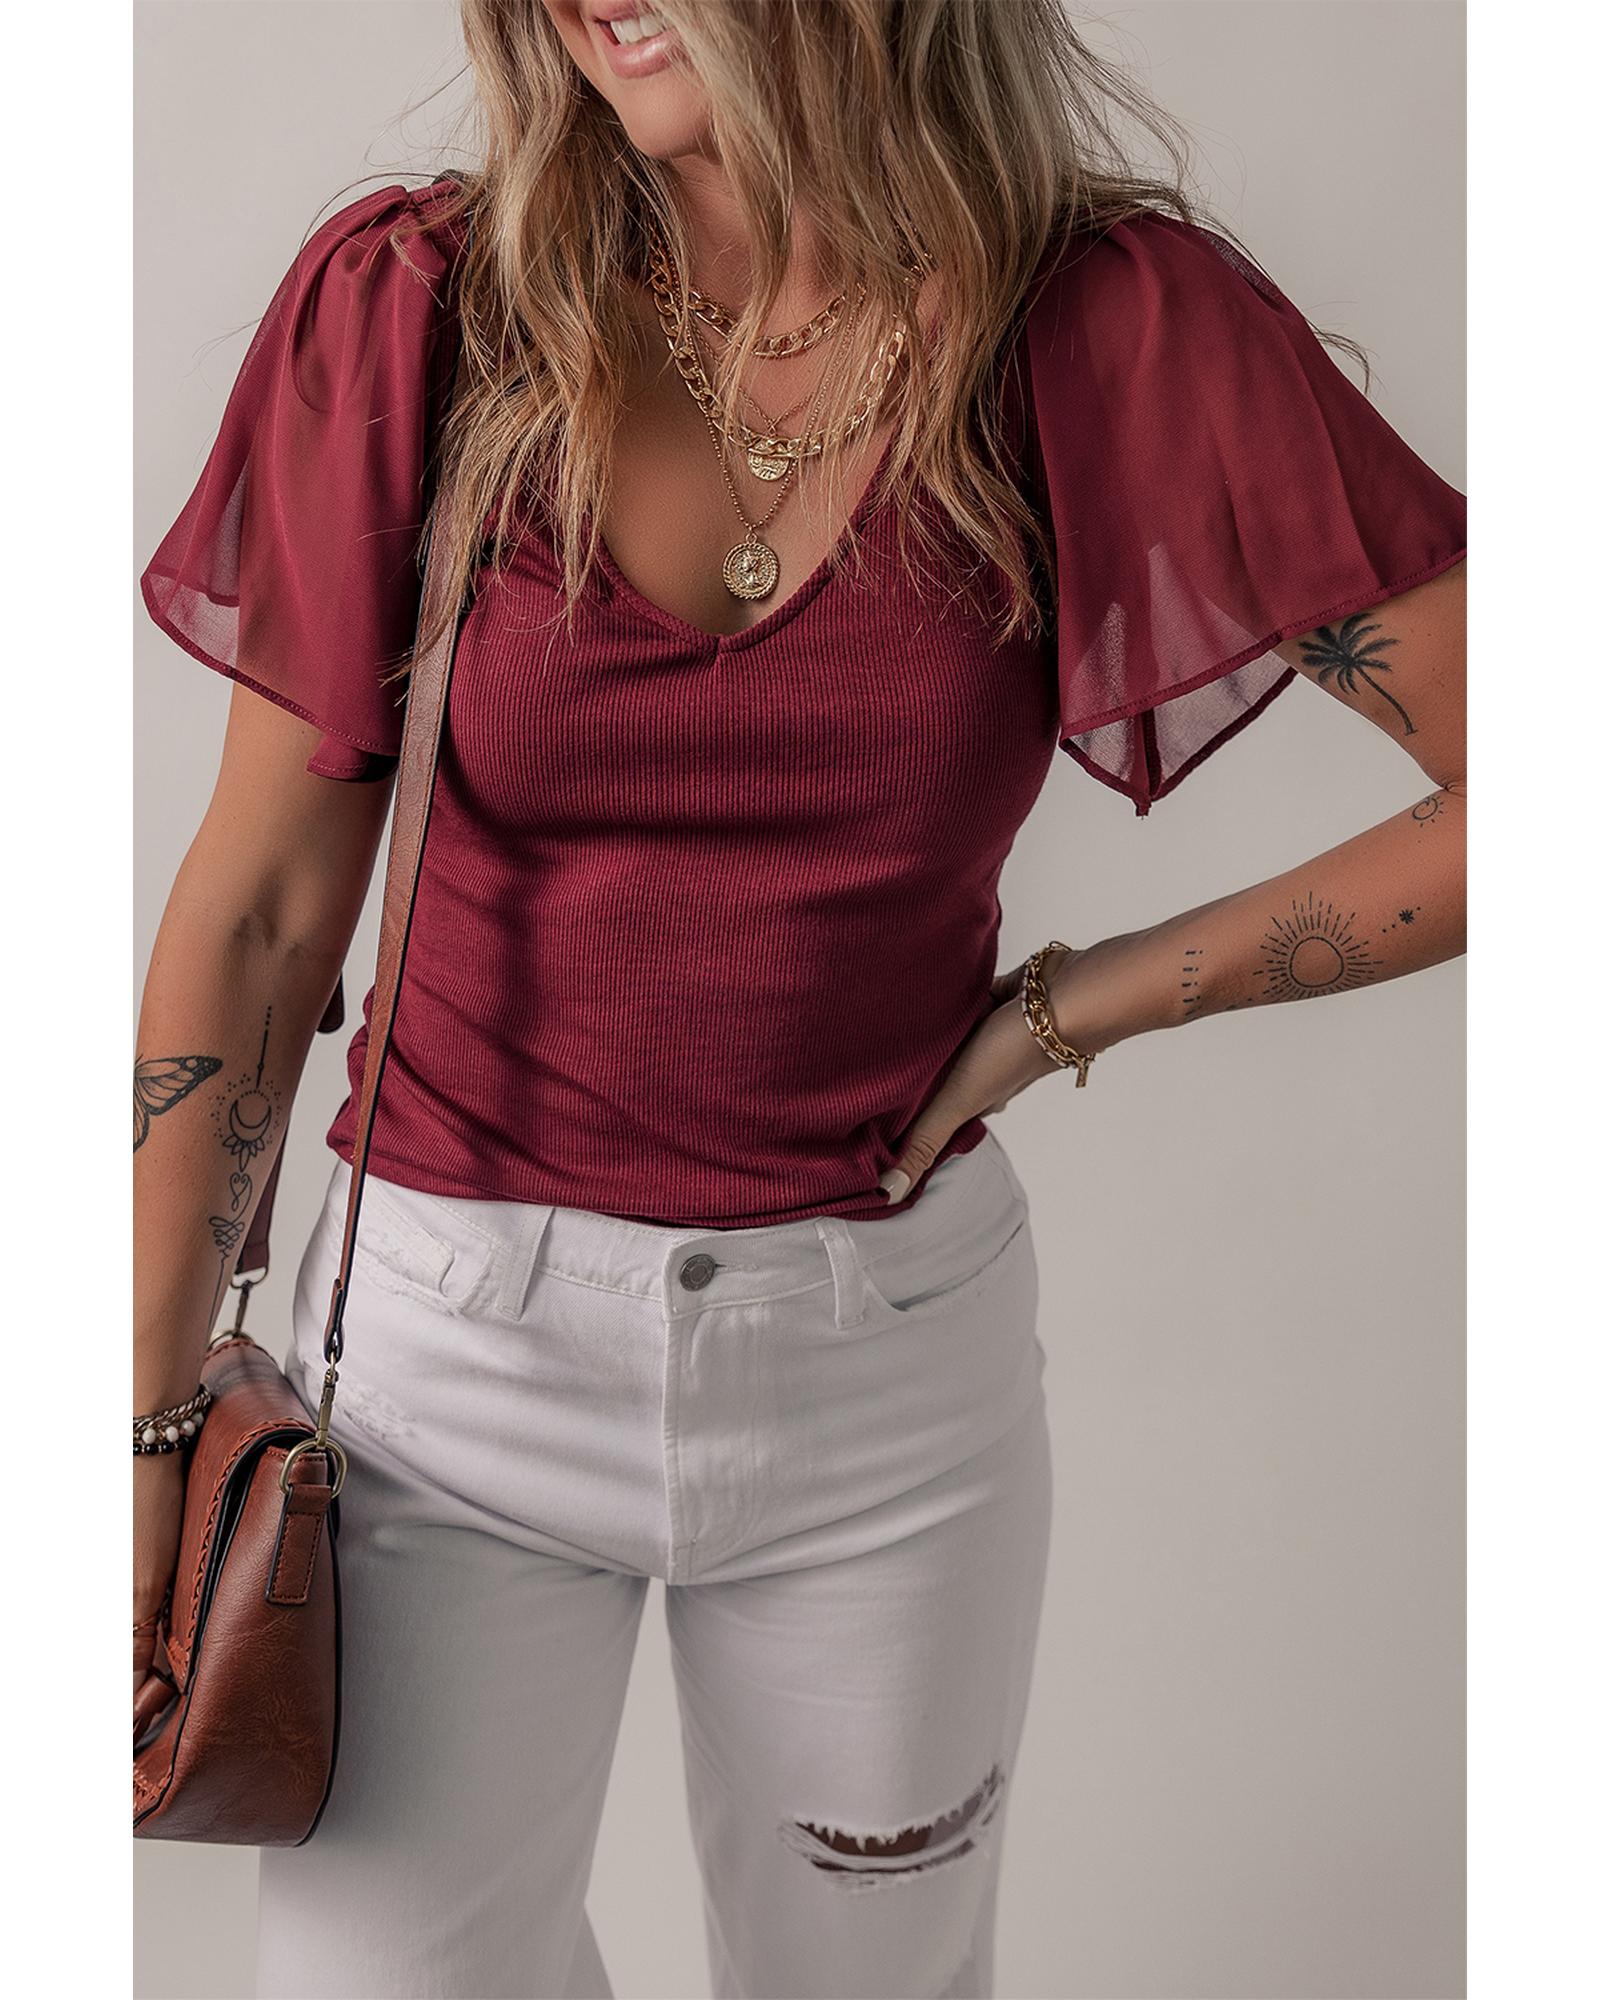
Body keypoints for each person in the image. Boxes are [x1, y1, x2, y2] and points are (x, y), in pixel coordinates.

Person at [132, 3, 1467, 1995]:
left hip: (881, 1381)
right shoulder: (425, 310)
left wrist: (1080, 1002)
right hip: (441, 1374)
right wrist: (139, 1415)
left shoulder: (1102, 331)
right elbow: (259, 911)